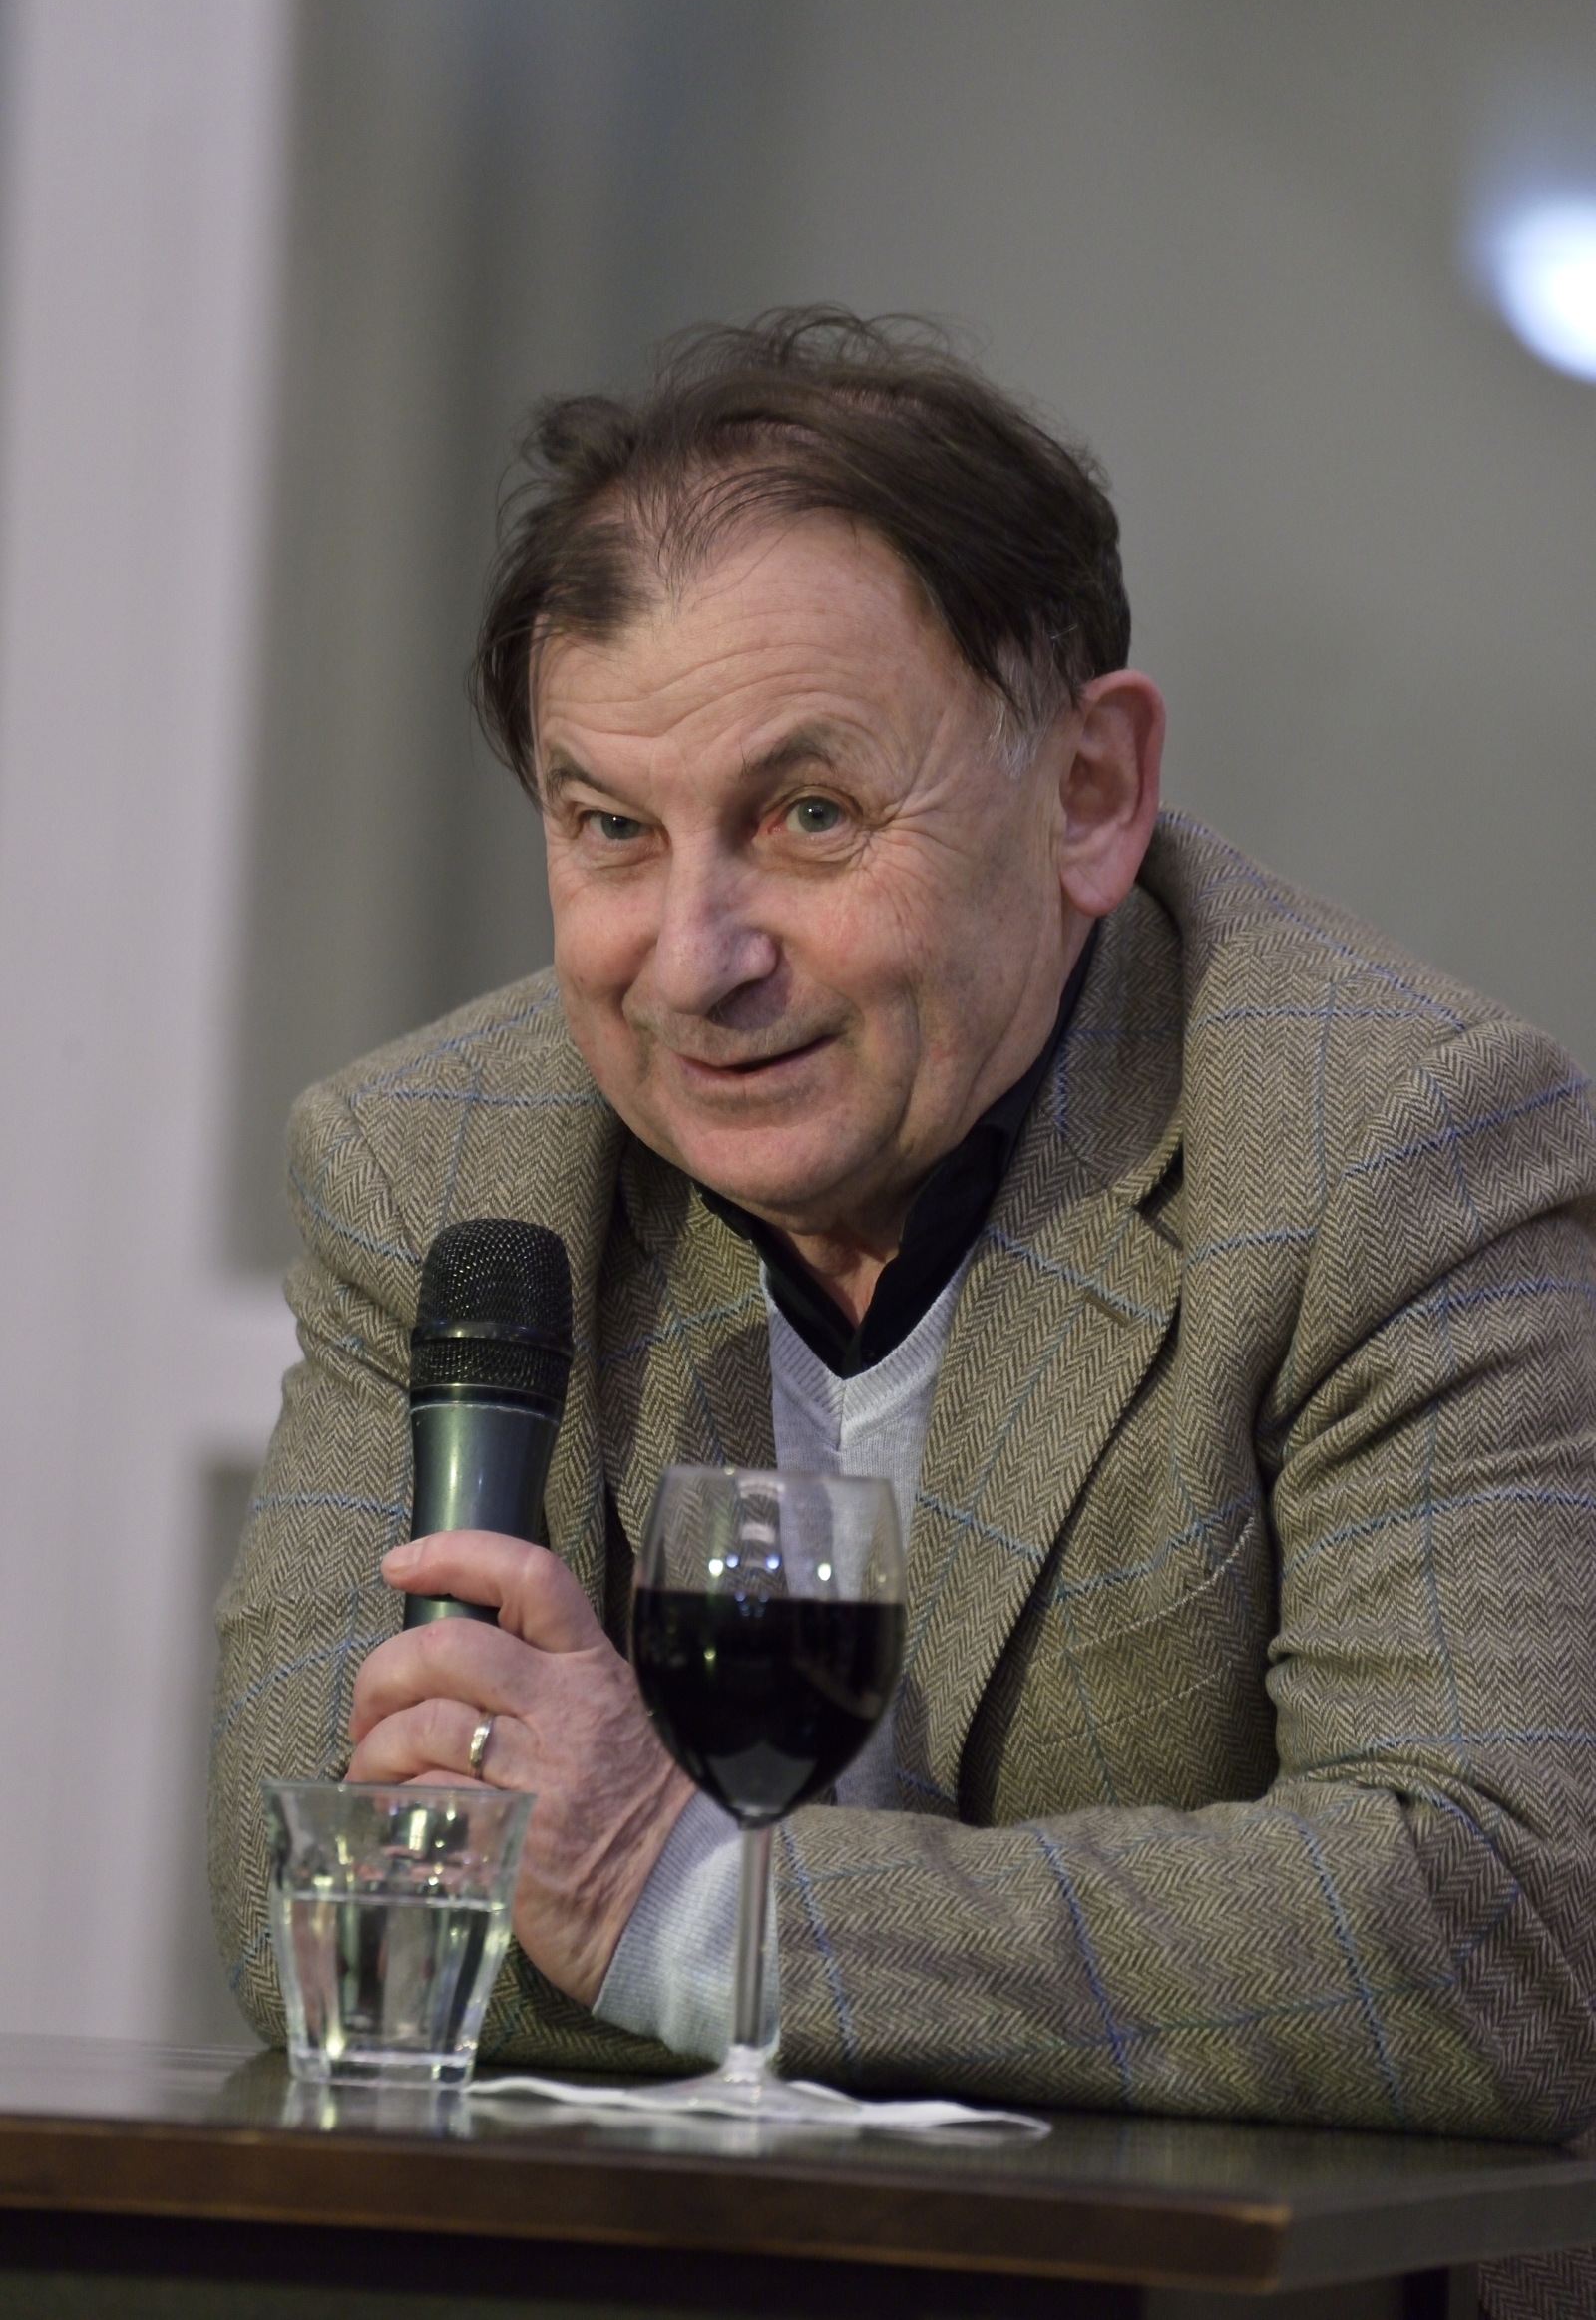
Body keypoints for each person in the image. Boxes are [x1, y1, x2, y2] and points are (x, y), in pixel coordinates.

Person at [210, 312, 1596, 2311]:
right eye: (610, 828)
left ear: (1089, 791)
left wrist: (691, 1905)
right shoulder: (439, 1163)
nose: (693, 960)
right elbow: (324, 1919)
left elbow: (1492, 1928)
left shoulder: (1392, 1147)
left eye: (808, 815)